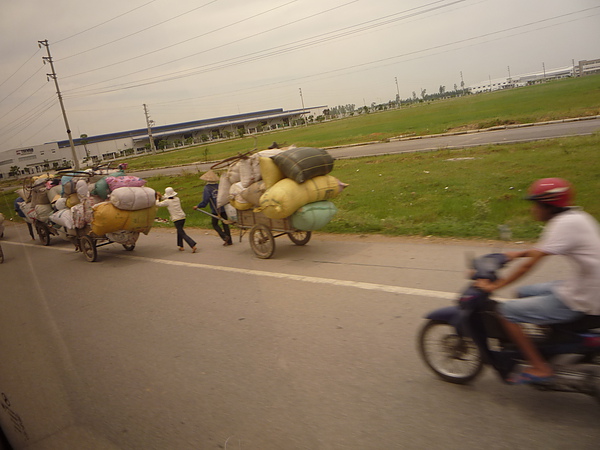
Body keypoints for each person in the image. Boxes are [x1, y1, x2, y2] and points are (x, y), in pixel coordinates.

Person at [475, 178, 600, 384]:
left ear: (547, 204)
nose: (532, 209)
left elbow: (530, 264)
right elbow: (543, 250)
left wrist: (495, 285)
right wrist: (515, 254)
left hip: (585, 296)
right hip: (585, 286)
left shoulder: (563, 224)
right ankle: (549, 343)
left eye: (535, 204)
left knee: (506, 312)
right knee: (524, 293)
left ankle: (540, 366)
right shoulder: (576, 216)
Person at [193, 170, 232, 246]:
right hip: (223, 207)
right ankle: (229, 241)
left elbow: (205, 200)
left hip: (215, 209)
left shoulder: (207, 188)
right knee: (225, 224)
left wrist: (198, 206)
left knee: (215, 224)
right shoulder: (219, 186)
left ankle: (224, 237)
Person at [156, 187, 197, 253]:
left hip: (176, 219)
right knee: (179, 231)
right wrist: (161, 196)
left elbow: (158, 204)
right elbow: (166, 198)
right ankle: (181, 246)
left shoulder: (167, 202)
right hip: (182, 217)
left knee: (181, 232)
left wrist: (157, 198)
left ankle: (192, 245)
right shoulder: (177, 199)